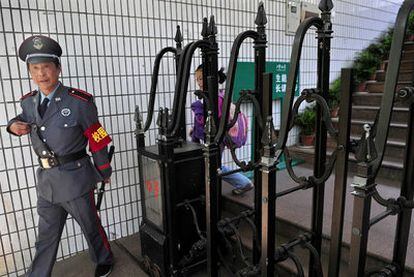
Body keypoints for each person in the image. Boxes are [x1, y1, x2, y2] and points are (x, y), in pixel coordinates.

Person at [7, 35, 113, 277]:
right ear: (30, 72)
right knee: (46, 235)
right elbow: (20, 120)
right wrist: (12, 126)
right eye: (35, 68)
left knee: (90, 227)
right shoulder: (28, 103)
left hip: (75, 178)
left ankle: (104, 259)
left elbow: (97, 138)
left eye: (46, 67)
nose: (41, 73)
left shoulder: (79, 102)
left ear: (58, 69)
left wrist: (103, 170)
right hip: (47, 182)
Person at [191, 64, 253, 195]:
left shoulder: (216, 99)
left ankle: (242, 183)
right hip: (217, 138)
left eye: (201, 79)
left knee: (214, 166)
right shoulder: (218, 96)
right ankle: (240, 183)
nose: (199, 83)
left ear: (211, 79)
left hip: (216, 139)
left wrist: (197, 110)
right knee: (213, 165)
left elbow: (213, 121)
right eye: (197, 79)